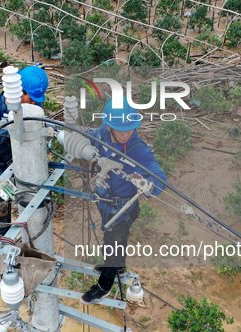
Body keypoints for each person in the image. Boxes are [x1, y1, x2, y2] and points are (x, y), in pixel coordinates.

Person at [81, 97, 167, 304]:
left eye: (130, 129)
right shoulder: (103, 133)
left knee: (114, 242)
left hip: (123, 207)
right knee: (111, 237)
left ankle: (104, 284)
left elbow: (158, 176)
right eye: (122, 130)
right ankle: (118, 265)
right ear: (110, 126)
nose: (127, 133)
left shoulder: (138, 149)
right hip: (106, 201)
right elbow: (91, 135)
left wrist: (150, 185)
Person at [0, 66, 49, 234]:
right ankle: (4, 235)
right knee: (2, 205)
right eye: (30, 98)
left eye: (36, 100)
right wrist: (16, 128)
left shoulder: (34, 106)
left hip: (24, 164)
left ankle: (31, 232)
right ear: (17, 90)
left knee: (29, 199)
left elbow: (42, 128)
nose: (33, 103)